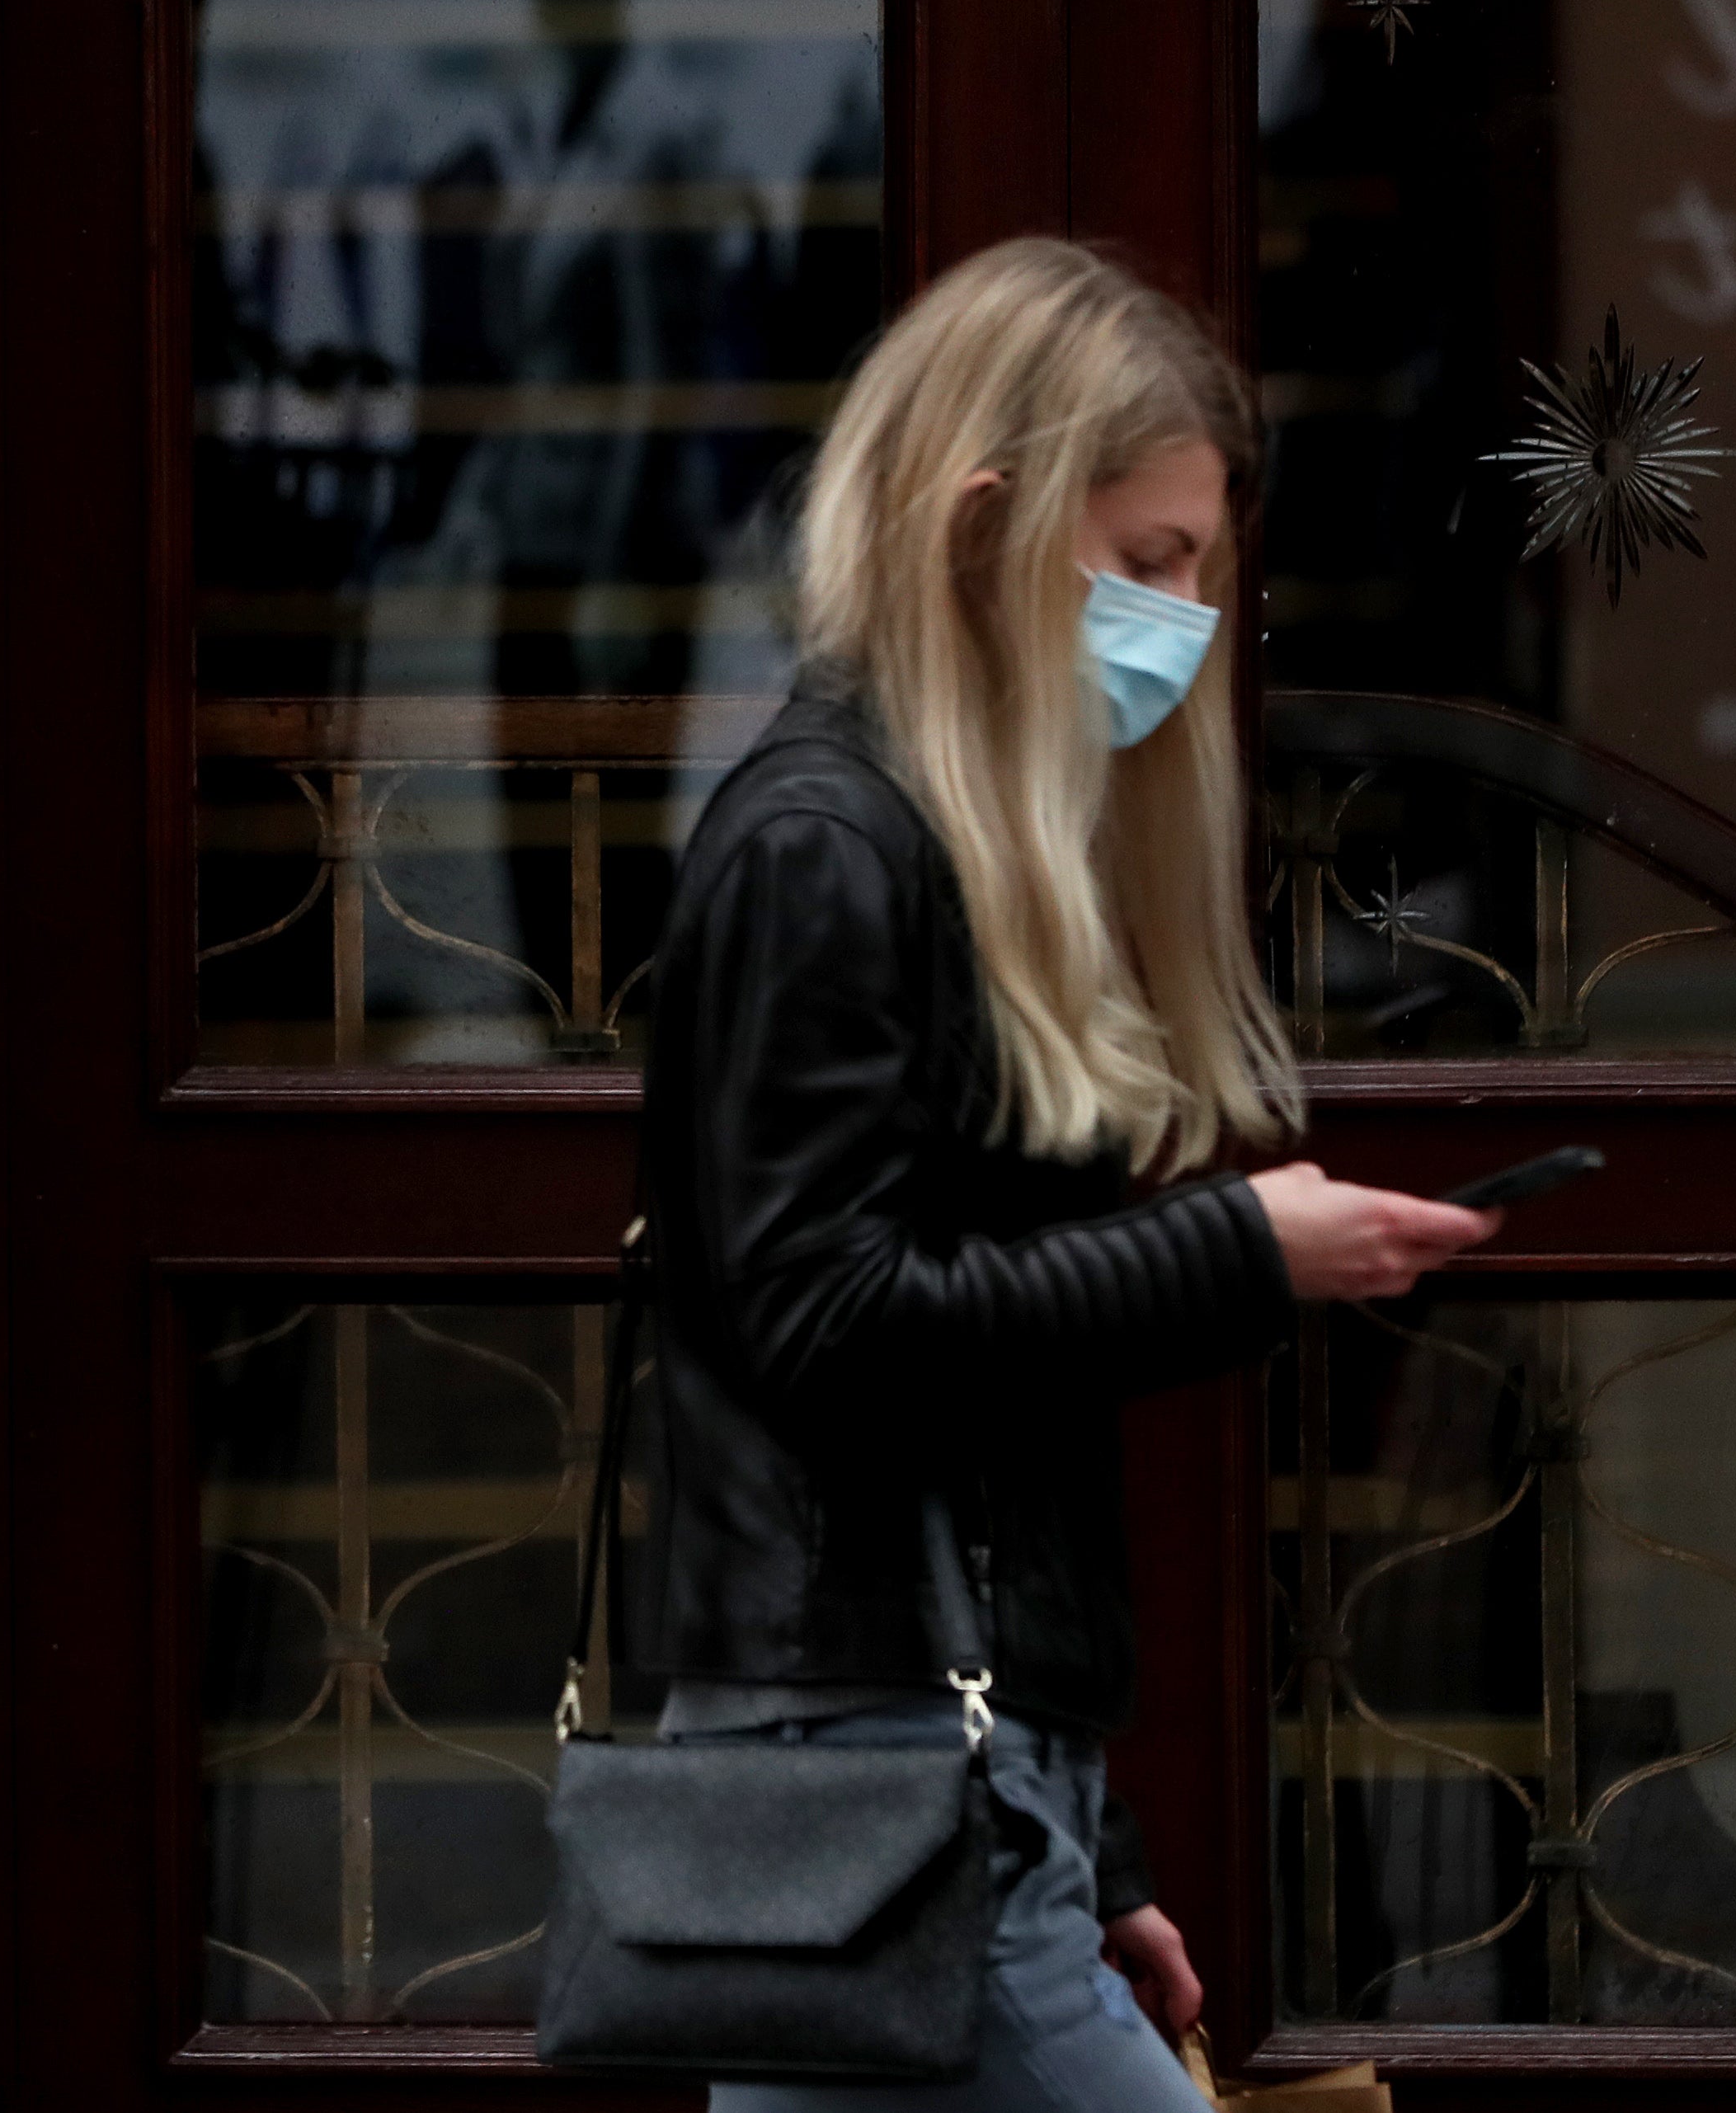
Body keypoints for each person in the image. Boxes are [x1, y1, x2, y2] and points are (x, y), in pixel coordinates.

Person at [620, 238, 1494, 2110]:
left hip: (925, 1783)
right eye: (1148, 560)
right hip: (866, 1775)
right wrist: (1237, 1255)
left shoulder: (931, 844)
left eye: (1201, 567)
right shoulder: (826, 850)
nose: (1181, 618)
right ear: (984, 524)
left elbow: (974, 1438)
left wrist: (1095, 1857)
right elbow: (826, 1325)